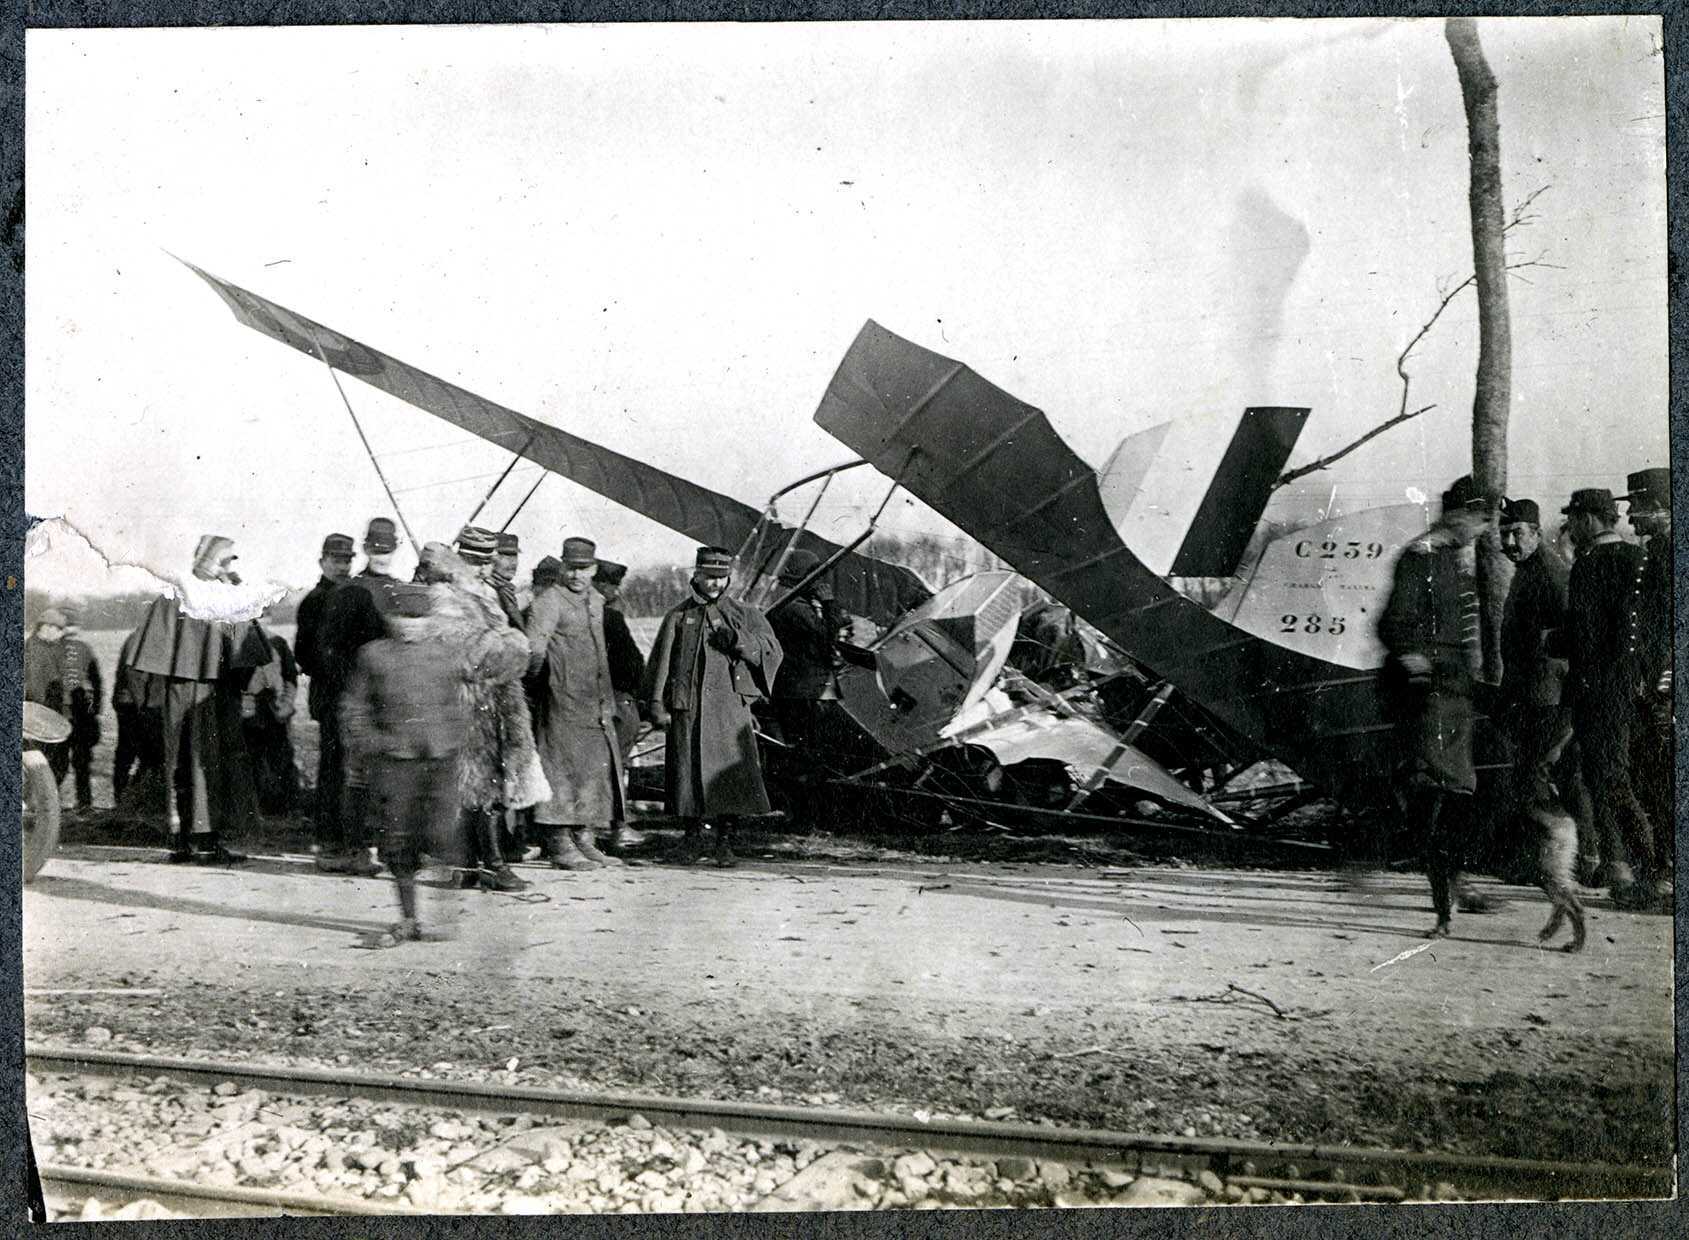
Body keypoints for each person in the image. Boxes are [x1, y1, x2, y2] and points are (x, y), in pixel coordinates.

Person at [1377, 476, 1492, 938]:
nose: (1482, 530)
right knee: (1438, 797)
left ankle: (1452, 888)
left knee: (1455, 794)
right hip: (1433, 696)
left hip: (1454, 693)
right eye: (1479, 520)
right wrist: (1419, 672)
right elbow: (1395, 624)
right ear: (1457, 514)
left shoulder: (1448, 558)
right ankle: (1446, 899)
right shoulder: (1422, 557)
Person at [126, 534, 273, 864]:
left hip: (215, 693)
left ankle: (198, 839)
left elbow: (246, 649)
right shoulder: (180, 593)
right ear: (211, 560)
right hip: (188, 692)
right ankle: (196, 841)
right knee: (191, 761)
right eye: (225, 560)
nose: (227, 567)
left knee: (208, 763)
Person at [340, 582, 471, 947]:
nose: (410, 625)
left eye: (419, 618)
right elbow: (354, 708)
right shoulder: (373, 656)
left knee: (443, 834)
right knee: (399, 843)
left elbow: (458, 705)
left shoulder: (445, 655)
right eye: (402, 617)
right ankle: (410, 917)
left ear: (430, 619)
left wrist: (454, 738)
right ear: (388, 617)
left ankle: (445, 915)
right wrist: (373, 744)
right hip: (394, 764)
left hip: (440, 759)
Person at [1561, 486, 1667, 912]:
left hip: (1598, 690)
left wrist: (1557, 640)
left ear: (1589, 520)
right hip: (1631, 688)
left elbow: (1585, 635)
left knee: (1609, 779)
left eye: (1574, 519)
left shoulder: (1590, 565)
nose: (1570, 527)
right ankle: (1629, 870)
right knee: (1614, 778)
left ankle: (1643, 872)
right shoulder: (1636, 559)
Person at [643, 546, 783, 867]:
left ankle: (724, 842)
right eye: (709, 577)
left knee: (728, 778)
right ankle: (691, 840)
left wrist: (738, 641)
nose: (715, 584)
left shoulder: (745, 614)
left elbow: (772, 650)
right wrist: (656, 702)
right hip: (688, 708)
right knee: (686, 775)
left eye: (721, 578)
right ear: (696, 574)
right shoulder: (679, 616)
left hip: (729, 710)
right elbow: (661, 662)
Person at [437, 528, 548, 891]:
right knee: (475, 785)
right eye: (475, 562)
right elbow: (462, 653)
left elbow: (506, 648)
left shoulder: (487, 595)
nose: (484, 570)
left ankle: (473, 865)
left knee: (498, 780)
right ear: (460, 560)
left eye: (487, 562)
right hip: (466, 702)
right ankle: (487, 865)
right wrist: (509, 645)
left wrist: (507, 647)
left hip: (499, 699)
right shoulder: (444, 597)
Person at [523, 537, 630, 870]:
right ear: (562, 568)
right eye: (570, 568)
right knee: (560, 769)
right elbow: (534, 650)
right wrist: (543, 686)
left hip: (594, 702)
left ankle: (585, 839)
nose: (576, 576)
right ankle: (558, 842)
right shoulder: (549, 601)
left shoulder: (597, 601)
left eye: (583, 569)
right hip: (561, 701)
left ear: (594, 569)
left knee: (591, 770)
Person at [1493, 498, 1587, 871]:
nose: (1510, 544)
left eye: (1517, 534)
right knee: (1541, 774)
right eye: (1504, 536)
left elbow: (1574, 634)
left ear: (1536, 533)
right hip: (1529, 691)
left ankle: (1549, 859)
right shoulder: (1528, 569)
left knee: (1534, 773)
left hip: (1548, 694)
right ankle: (1578, 856)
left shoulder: (1550, 572)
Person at [317, 519, 409, 875]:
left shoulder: (402, 592)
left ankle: (385, 846)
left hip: (395, 702)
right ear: (367, 549)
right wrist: (354, 692)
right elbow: (330, 652)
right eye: (375, 549)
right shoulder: (349, 593)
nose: (381, 555)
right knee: (357, 779)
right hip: (362, 701)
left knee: (391, 778)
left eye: (387, 549)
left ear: (395, 548)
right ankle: (356, 848)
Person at [767, 550, 857, 829]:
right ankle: (808, 818)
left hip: (801, 687)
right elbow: (825, 634)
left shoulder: (791, 598)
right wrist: (830, 604)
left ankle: (809, 816)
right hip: (802, 691)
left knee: (807, 754)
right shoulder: (793, 605)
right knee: (809, 755)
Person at [1623, 467, 1673, 876]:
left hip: (1665, 688)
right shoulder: (1655, 551)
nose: (1630, 517)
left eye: (1636, 506)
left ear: (1658, 507)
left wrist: (1663, 686)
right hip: (1651, 685)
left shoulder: (1669, 553)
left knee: (1664, 776)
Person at [295, 533, 356, 848]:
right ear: (322, 562)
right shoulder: (313, 602)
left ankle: (352, 833)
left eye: (347, 560)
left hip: (357, 695)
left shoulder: (357, 596)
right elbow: (302, 655)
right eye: (336, 560)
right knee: (334, 766)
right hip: (331, 695)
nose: (342, 566)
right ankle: (330, 835)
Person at [23, 606, 103, 812]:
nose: (62, 635)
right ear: (47, 627)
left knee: (63, 762)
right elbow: (34, 688)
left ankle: (48, 805)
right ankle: (38, 806)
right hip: (41, 717)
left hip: (61, 714)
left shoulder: (56, 647)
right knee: (45, 762)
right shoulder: (30, 649)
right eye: (59, 630)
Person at [594, 557, 648, 852]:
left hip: (600, 699)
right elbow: (632, 663)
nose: (616, 590)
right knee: (616, 765)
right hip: (616, 700)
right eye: (613, 584)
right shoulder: (610, 618)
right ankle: (617, 827)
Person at [242, 626, 301, 816]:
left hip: (274, 713)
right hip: (248, 715)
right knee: (251, 762)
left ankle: (286, 805)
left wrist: (286, 704)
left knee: (281, 759)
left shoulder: (277, 642)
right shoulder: (236, 642)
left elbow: (290, 677)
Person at [110, 623, 166, 812]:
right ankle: (124, 801)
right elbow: (134, 675)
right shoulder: (141, 639)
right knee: (130, 753)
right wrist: (145, 708)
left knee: (143, 755)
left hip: (137, 703)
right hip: (133, 705)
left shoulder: (145, 637)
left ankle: (132, 800)